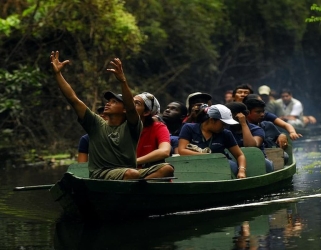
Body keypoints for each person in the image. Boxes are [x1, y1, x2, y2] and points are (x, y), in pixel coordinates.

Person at [50, 51, 173, 180]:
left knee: (167, 168)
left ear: (124, 109)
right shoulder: (96, 124)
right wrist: (58, 74)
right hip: (102, 174)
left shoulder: (132, 127)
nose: (108, 104)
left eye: (114, 102)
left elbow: (131, 108)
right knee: (132, 174)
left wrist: (122, 81)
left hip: (128, 173)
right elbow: (73, 99)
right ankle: (138, 187)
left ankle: (137, 188)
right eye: (109, 101)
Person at [178, 104, 247, 178]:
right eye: (223, 124)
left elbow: (240, 155)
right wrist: (210, 157)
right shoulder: (189, 128)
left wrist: (241, 171)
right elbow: (182, 150)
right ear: (212, 120)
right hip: (195, 165)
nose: (224, 127)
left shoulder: (226, 133)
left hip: (222, 166)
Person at [225, 102, 274, 173]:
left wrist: (243, 124)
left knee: (266, 164)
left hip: (257, 161)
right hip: (234, 161)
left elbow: (250, 146)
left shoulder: (256, 129)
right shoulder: (225, 130)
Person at [134, 92, 173, 171]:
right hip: (123, 170)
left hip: (146, 170)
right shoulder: (121, 125)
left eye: (136, 103)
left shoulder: (158, 127)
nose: (130, 105)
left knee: (167, 169)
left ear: (146, 112)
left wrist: (135, 161)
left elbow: (164, 151)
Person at [244, 98, 289, 164]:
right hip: (251, 159)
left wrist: (282, 135)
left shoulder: (268, 125)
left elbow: (279, 135)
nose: (262, 114)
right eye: (258, 112)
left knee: (284, 156)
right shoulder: (242, 128)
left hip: (270, 157)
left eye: (263, 111)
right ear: (248, 113)